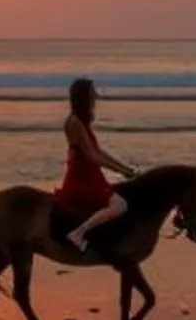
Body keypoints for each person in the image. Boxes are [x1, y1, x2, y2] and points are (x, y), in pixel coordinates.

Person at [56, 77, 136, 255]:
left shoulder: (80, 122)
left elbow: (99, 152)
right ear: (84, 97)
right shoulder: (74, 123)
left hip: (90, 173)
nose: (96, 97)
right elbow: (93, 157)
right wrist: (121, 170)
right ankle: (78, 233)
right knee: (120, 206)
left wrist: (124, 169)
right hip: (83, 177)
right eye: (93, 93)